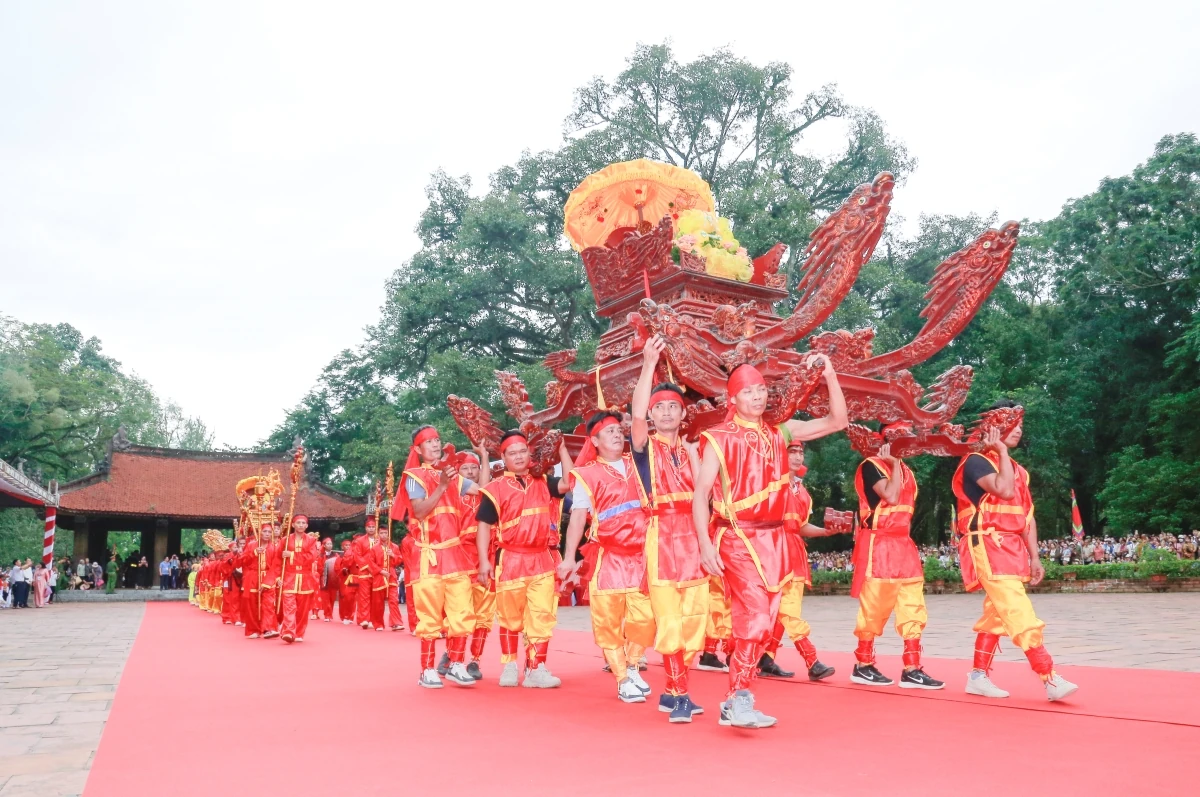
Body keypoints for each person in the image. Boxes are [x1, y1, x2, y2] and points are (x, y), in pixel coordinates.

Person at [692, 357, 847, 730]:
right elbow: (699, 496)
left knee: (764, 621)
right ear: (733, 398)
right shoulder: (718, 438)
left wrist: (829, 375)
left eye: (761, 389)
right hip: (737, 535)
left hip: (776, 539)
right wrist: (704, 545)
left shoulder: (781, 431)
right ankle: (741, 699)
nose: (757, 396)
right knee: (758, 616)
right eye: (748, 391)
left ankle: (737, 700)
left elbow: (837, 422)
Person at [951, 401, 1078, 701]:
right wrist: (1003, 453)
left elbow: (1027, 517)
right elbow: (1003, 490)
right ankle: (1049, 676)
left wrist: (1035, 556)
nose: (1019, 429)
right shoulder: (976, 461)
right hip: (987, 542)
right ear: (993, 428)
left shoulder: (1019, 471)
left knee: (997, 614)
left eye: (1021, 424)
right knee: (1017, 610)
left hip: (1011, 546)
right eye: (1012, 424)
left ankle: (978, 676)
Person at [628, 336, 708, 721]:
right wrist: (648, 364)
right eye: (658, 408)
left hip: (693, 538)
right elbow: (637, 415)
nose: (664, 413)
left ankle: (675, 689)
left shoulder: (692, 451)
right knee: (671, 620)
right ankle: (678, 694)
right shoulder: (646, 447)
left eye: (672, 407)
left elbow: (704, 498)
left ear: (681, 414)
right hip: (660, 538)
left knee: (695, 619)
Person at [560, 410, 656, 706]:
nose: (618, 434)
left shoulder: (641, 463)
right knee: (609, 622)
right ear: (595, 440)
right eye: (610, 431)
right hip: (608, 557)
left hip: (642, 555)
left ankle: (633, 663)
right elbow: (577, 518)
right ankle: (623, 678)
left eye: (619, 429)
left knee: (646, 618)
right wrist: (567, 558)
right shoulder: (587, 475)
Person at [476, 431, 574, 688]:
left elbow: (569, 482)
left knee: (541, 615)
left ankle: (537, 667)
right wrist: (484, 561)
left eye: (522, 451)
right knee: (510, 616)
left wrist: (562, 449)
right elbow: (484, 526)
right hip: (510, 558)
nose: (518, 456)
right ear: (504, 457)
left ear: (530, 454)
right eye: (512, 453)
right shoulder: (494, 489)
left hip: (542, 558)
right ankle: (509, 664)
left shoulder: (544, 481)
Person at [850, 439, 943, 689]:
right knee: (874, 608)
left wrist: (897, 464)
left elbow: (906, 513)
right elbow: (890, 496)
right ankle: (863, 665)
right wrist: (893, 463)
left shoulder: (907, 471)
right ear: (884, 442)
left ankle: (912, 668)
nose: (904, 443)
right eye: (897, 437)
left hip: (903, 545)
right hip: (879, 544)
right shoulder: (871, 466)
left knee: (913, 608)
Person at [396, 425, 482, 689]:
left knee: (462, 612)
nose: (435, 445)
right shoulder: (414, 475)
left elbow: (483, 491)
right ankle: (427, 669)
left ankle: (456, 663)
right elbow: (419, 511)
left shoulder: (453, 475)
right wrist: (443, 486)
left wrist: (486, 458)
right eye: (429, 442)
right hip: (429, 554)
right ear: (418, 449)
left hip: (455, 552)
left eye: (437, 440)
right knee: (430, 616)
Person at [757, 440, 842, 682]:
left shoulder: (802, 491)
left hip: (794, 550)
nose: (797, 456)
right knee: (787, 609)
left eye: (800, 452)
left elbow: (801, 526)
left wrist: (826, 532)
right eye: (791, 452)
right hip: (773, 548)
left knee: (784, 610)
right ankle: (811, 659)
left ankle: (766, 658)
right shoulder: (771, 484)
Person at [457, 450, 493, 680]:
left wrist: (485, 456)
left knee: (483, 614)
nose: (471, 472)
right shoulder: (454, 493)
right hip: (460, 559)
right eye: (465, 469)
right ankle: (454, 657)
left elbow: (486, 487)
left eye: (474, 467)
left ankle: (474, 660)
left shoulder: (486, 497)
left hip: (484, 558)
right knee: (459, 612)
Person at [278, 515, 319, 643]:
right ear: (293, 525)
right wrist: (278, 577)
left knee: (303, 609)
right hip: (289, 577)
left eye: (303, 523)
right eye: (298, 523)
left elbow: (311, 557)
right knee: (289, 607)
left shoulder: (311, 541)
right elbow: (278, 560)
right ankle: (288, 632)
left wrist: (292, 555)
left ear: (306, 526)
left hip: (306, 578)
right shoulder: (284, 540)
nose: (301, 525)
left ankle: (299, 632)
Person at [318, 537, 339, 622]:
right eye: (328, 544)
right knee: (325, 597)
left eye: (330, 544)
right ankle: (327, 614)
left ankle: (330, 613)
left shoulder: (335, 555)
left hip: (333, 578)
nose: (330, 545)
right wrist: (323, 572)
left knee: (332, 596)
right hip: (324, 577)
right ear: (324, 545)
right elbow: (319, 567)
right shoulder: (321, 556)